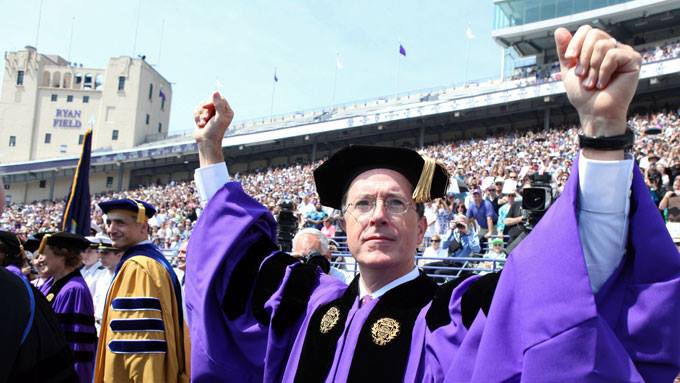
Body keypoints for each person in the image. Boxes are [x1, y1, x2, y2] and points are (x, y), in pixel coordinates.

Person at [186, 25, 680, 382]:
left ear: (423, 228)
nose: (378, 214)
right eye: (362, 205)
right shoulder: (306, 304)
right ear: (343, 226)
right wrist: (211, 153)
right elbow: (233, 264)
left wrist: (602, 133)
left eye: (396, 203)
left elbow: (568, 283)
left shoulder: (455, 315)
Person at [93, 199, 188, 383]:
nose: (111, 229)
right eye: (109, 222)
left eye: (120, 222)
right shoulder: (150, 261)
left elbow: (141, 346)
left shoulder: (139, 267)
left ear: (143, 228)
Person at [36, 232, 97, 383]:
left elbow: (76, 345)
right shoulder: (50, 284)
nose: (40, 259)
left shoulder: (74, 290)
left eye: (44, 253)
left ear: (62, 255)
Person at [92, 236, 123, 336]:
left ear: (118, 254)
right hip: (98, 328)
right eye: (99, 252)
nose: (101, 256)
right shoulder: (101, 276)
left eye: (105, 253)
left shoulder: (123, 277)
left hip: (113, 330)